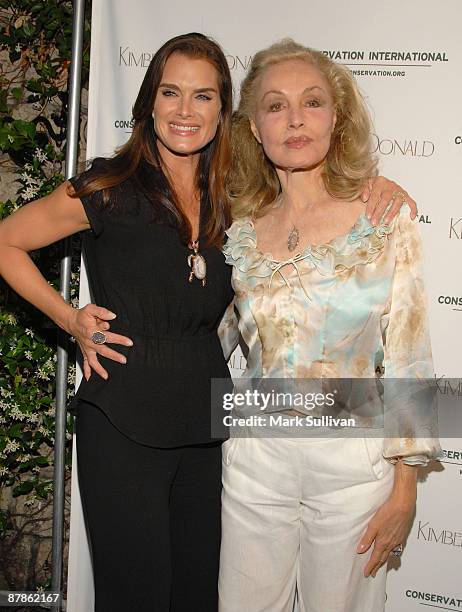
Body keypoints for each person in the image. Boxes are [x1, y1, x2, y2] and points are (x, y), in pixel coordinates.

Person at [0, 31, 417, 611]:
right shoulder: (106, 186)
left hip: (214, 430)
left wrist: (378, 188)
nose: (185, 110)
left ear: (225, 113)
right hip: (124, 419)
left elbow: (393, 340)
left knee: (201, 597)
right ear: (149, 101)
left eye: (203, 96)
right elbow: (6, 242)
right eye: (171, 92)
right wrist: (69, 319)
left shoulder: (236, 203)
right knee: (136, 596)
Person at [218, 39, 441, 612]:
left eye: (312, 101)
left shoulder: (385, 219)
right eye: (275, 105)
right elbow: (205, 338)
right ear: (253, 128)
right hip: (253, 460)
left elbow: (410, 357)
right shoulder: (238, 228)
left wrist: (406, 489)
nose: (295, 118)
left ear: (335, 117)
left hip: (352, 467)